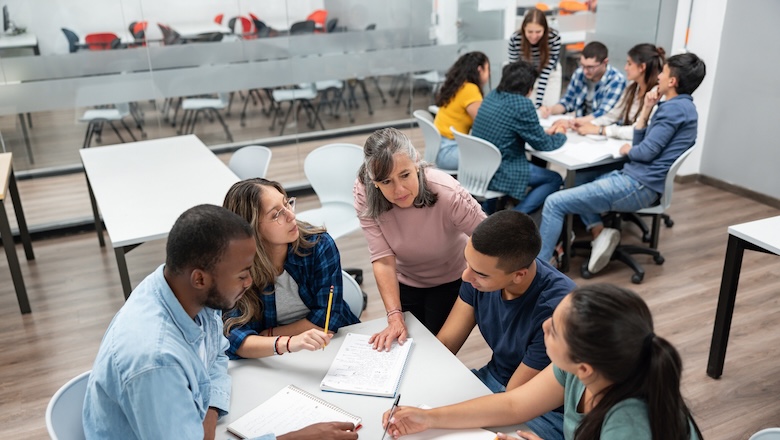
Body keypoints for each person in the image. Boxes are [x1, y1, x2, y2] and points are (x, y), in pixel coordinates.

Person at [83, 204, 357, 439]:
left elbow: (216, 355)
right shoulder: (156, 361)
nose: (250, 282)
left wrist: (209, 418)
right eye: (242, 274)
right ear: (200, 278)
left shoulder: (183, 290)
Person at [383, 283, 703, 440]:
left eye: (554, 330)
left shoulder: (628, 426)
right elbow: (514, 405)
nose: (544, 326)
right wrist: (429, 418)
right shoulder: (585, 368)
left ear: (585, 367)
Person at [538, 53, 706, 275]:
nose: (659, 78)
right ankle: (599, 232)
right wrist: (646, 110)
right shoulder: (683, 107)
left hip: (639, 185)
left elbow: (644, 152)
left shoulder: (672, 110)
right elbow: (644, 145)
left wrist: (631, 150)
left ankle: (538, 273)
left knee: (553, 202)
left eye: (663, 73)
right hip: (641, 180)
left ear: (673, 81)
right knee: (576, 180)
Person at [437, 210, 575, 439]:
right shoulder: (480, 275)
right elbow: (447, 342)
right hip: (496, 380)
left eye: (479, 273)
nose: (465, 276)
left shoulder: (555, 312)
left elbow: (515, 399)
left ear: (519, 276)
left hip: (542, 409)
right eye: (467, 263)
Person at [354, 127, 486, 350]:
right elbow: (383, 258)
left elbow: (490, 239)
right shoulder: (364, 192)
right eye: (386, 182)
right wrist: (394, 315)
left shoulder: (447, 191)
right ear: (373, 180)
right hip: (405, 279)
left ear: (417, 162)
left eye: (405, 175)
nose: (399, 190)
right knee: (405, 347)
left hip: (451, 279)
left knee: (436, 352)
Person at [222, 178, 359, 359]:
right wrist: (288, 343)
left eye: (287, 203)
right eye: (276, 214)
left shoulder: (319, 245)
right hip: (274, 358)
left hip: (332, 347)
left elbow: (327, 320)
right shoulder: (233, 267)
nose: (291, 216)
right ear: (251, 229)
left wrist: (268, 336)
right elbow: (234, 338)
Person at [471, 60, 567, 214]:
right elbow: (544, 145)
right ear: (529, 88)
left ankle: (500, 212)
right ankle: (513, 217)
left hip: (480, 166)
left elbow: (511, 128)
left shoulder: (492, 95)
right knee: (554, 178)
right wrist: (561, 133)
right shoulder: (522, 104)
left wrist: (541, 133)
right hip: (501, 170)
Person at [574, 44, 666, 140]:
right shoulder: (632, 87)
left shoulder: (656, 95)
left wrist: (600, 130)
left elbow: (636, 130)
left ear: (642, 67)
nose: (626, 68)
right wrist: (588, 124)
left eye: (629, 64)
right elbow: (613, 115)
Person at [539, 42, 626, 122]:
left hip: (601, 129)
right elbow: (567, 102)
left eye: (590, 67)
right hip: (581, 126)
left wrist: (574, 122)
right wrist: (551, 110)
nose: (585, 71)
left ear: (605, 62)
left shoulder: (616, 80)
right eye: (583, 65)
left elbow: (603, 114)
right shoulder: (579, 73)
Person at [433, 51, 491, 170]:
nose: (489, 74)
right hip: (449, 152)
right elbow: (484, 122)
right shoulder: (470, 89)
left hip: (439, 148)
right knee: (493, 157)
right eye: (487, 69)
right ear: (480, 70)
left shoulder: (458, 85)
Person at [508, 7, 563, 109]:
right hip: (526, 73)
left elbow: (546, 71)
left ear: (545, 29)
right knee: (527, 105)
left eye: (538, 32)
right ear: (524, 28)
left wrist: (539, 103)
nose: (534, 36)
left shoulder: (554, 38)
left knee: (548, 108)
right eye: (530, 32)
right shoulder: (515, 39)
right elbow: (514, 71)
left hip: (549, 73)